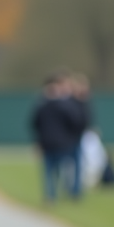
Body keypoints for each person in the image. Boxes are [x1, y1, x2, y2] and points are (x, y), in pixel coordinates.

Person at [30, 73, 79, 202]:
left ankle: (50, 195)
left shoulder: (41, 106)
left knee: (48, 171)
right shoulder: (64, 106)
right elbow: (74, 122)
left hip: (48, 143)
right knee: (59, 169)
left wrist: (38, 142)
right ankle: (57, 193)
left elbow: (35, 124)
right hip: (60, 143)